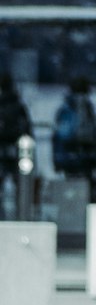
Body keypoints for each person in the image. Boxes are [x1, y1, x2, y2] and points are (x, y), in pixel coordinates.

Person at [52, 76, 96, 197]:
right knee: (83, 193)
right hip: (84, 158)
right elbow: (94, 136)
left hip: (71, 157)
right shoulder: (86, 108)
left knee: (71, 192)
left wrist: (58, 160)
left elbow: (59, 136)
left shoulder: (66, 108)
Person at [0, 73, 31, 216]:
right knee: (20, 185)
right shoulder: (18, 105)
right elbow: (27, 129)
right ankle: (21, 213)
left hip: (4, 149)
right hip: (15, 149)